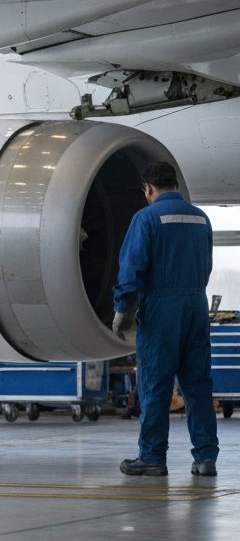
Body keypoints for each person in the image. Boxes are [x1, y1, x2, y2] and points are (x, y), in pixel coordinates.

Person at [113, 161, 218, 477]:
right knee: (198, 385)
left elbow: (132, 269)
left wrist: (123, 309)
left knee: (155, 385)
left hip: (161, 309)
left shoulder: (145, 218)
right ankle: (205, 458)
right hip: (196, 306)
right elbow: (207, 264)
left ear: (148, 188)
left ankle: (153, 457)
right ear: (175, 184)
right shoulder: (201, 218)